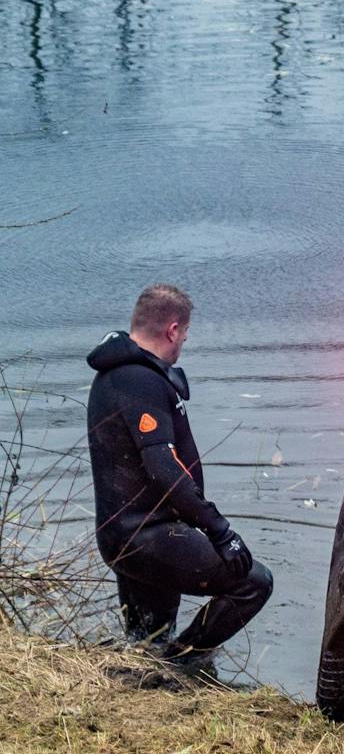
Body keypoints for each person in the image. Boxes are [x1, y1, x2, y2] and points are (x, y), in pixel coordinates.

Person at [86, 284, 272, 671]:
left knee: (147, 642)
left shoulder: (113, 377)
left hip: (129, 536)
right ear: (172, 330)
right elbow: (163, 468)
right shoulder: (140, 380)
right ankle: (183, 664)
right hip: (148, 536)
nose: (182, 344)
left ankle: (151, 677)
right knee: (254, 582)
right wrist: (220, 531)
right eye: (184, 335)